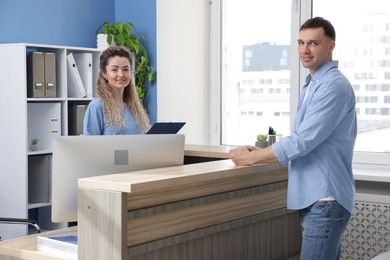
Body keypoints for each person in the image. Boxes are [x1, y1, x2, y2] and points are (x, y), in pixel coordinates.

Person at [229, 17, 357, 260]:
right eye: (300, 42)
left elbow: (302, 141)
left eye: (313, 43)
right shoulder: (313, 83)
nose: (304, 50)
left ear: (330, 46)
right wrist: (261, 154)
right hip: (316, 198)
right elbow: (305, 142)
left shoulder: (332, 86)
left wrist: (253, 158)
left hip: (325, 198)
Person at [83, 45, 150, 135]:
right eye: (114, 70)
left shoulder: (134, 107)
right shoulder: (97, 107)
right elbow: (89, 145)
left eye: (125, 69)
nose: (121, 74)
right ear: (104, 74)